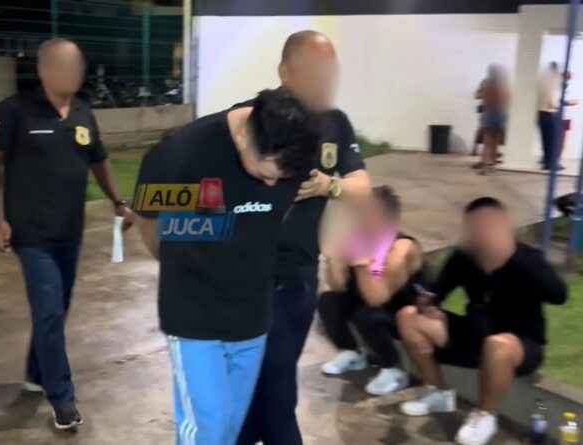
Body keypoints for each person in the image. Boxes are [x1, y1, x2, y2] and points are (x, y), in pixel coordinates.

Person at [134, 88, 320, 445]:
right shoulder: (180, 157)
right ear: (243, 134)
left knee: (230, 431)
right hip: (193, 315)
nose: (271, 184)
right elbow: (151, 224)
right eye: (264, 173)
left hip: (252, 317)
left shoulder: (295, 155)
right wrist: (183, 267)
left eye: (280, 178)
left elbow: (276, 215)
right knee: (208, 431)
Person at [0, 38, 134, 430]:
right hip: (31, 234)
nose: (74, 74)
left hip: (70, 232)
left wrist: (118, 201)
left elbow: (99, 161)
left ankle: (36, 373)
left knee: (55, 312)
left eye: (78, 67)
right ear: (44, 70)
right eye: (65, 67)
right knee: (49, 312)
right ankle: (62, 399)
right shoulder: (15, 111)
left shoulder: (83, 112)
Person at [236, 31, 371, 445]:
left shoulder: (335, 122)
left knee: (266, 389)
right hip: (252, 278)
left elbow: (362, 188)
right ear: (286, 72)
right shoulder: (253, 118)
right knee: (275, 394)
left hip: (300, 279)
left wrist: (330, 186)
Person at [397, 197, 567, 445]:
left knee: (497, 345)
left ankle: (485, 415)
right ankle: (438, 392)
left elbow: (560, 295)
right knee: (408, 317)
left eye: (488, 226)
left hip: (521, 344)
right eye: (475, 227)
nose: (481, 234)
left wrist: (512, 256)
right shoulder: (463, 257)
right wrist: (428, 305)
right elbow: (437, 292)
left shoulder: (527, 258)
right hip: (475, 334)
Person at [317, 186, 423, 396]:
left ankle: (394, 369)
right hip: (368, 303)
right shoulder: (357, 241)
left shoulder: (402, 248)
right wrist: (334, 259)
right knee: (328, 301)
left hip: (401, 313)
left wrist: (361, 264)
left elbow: (376, 298)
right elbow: (338, 286)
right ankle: (353, 353)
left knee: (366, 315)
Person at [537, 62, 577, 171]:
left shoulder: (542, 81)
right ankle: (551, 163)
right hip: (551, 113)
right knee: (554, 141)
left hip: (541, 112)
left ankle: (547, 162)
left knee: (546, 140)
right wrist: (561, 105)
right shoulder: (554, 83)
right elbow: (553, 100)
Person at [475, 65, 509, 175]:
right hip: (500, 114)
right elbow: (507, 99)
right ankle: (492, 166)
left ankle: (486, 166)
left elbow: (478, 95)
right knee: (495, 143)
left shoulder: (486, 84)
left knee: (487, 143)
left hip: (489, 113)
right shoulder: (502, 85)